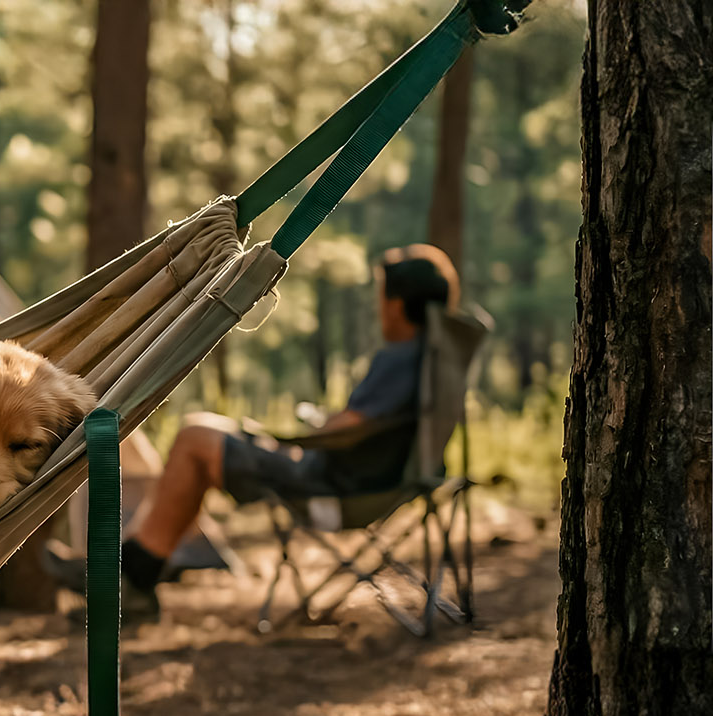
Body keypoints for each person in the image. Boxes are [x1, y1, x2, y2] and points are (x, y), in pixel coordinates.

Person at [51, 244, 459, 618]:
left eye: (382, 298)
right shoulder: (431, 358)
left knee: (194, 439)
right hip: (355, 478)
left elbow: (353, 426)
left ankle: (127, 577)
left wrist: (306, 433)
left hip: (327, 483)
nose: (378, 309)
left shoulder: (402, 358)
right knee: (200, 434)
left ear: (400, 305)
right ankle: (130, 574)